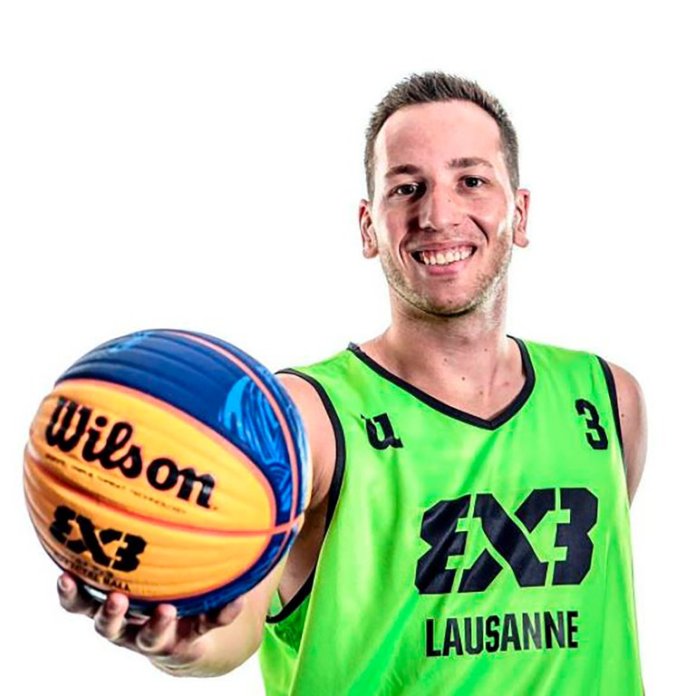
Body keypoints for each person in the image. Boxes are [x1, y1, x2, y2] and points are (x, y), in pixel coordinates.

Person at [57, 71, 647, 694]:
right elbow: (232, 630)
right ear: (369, 227)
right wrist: (181, 645)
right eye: (406, 188)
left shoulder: (608, 400)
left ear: (519, 214)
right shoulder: (302, 418)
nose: (438, 214)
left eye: (471, 181)